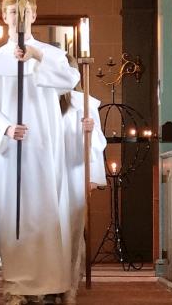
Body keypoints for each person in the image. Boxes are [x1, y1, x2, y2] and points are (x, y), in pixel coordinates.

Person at [0, 0, 80, 305]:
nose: (18, 18)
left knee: (47, 213)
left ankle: (51, 284)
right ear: (3, 16)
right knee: (15, 217)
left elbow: (69, 80)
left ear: (34, 15)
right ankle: (17, 287)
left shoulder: (51, 55)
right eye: (11, 12)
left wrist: (36, 56)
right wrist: (6, 128)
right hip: (12, 153)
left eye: (24, 12)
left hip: (46, 148)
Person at [59, 54, 107, 304]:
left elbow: (98, 143)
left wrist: (89, 130)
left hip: (75, 170)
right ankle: (50, 282)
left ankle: (69, 285)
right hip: (49, 173)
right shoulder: (43, 99)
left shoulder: (85, 103)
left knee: (73, 228)